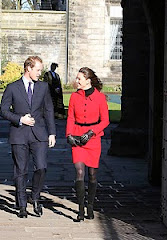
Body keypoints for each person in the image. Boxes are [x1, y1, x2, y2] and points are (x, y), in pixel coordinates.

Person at [0, 56, 56, 218]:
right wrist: (19, 119)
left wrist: (52, 132)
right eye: (38, 70)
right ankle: (22, 206)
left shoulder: (44, 87)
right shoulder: (12, 88)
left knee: (41, 167)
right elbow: (3, 111)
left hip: (39, 134)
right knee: (21, 171)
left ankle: (35, 197)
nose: (40, 73)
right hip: (19, 134)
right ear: (28, 68)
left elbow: (49, 110)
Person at [66, 67, 109, 221]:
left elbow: (105, 120)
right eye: (77, 78)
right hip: (77, 138)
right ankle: (80, 209)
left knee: (92, 175)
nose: (76, 81)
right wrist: (69, 135)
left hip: (93, 139)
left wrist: (91, 132)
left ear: (88, 80)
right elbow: (70, 117)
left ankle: (90, 205)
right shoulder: (74, 97)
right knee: (79, 172)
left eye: (79, 78)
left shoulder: (100, 98)